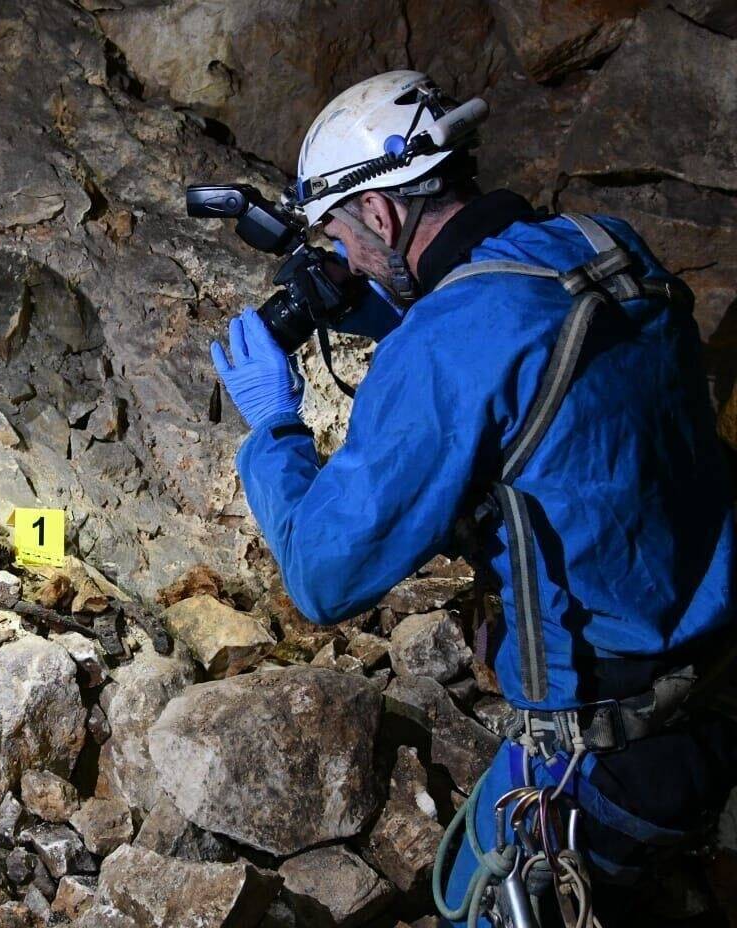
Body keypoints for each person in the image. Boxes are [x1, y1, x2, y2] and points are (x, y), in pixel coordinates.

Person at [210, 71, 736, 925]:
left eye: (341, 237)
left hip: (604, 749)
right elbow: (531, 377)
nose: (341, 258)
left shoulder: (448, 349)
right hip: (711, 681)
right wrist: (389, 316)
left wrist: (274, 425)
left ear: (379, 215)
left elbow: (322, 576)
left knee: (470, 897)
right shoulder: (604, 245)